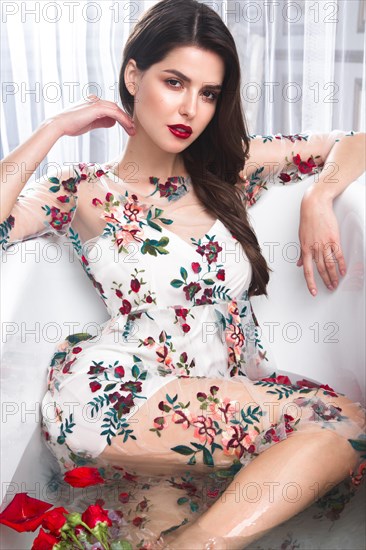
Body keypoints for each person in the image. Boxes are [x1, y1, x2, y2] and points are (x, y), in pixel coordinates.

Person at [1, 0, 365, 548]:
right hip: (121, 396)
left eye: (209, 93)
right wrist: (55, 128)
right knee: (342, 427)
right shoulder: (83, 190)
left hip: (216, 397)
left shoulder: (230, 172)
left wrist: (320, 195)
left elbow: (353, 143)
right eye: (174, 82)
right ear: (133, 75)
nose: (190, 108)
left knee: (157, 538)